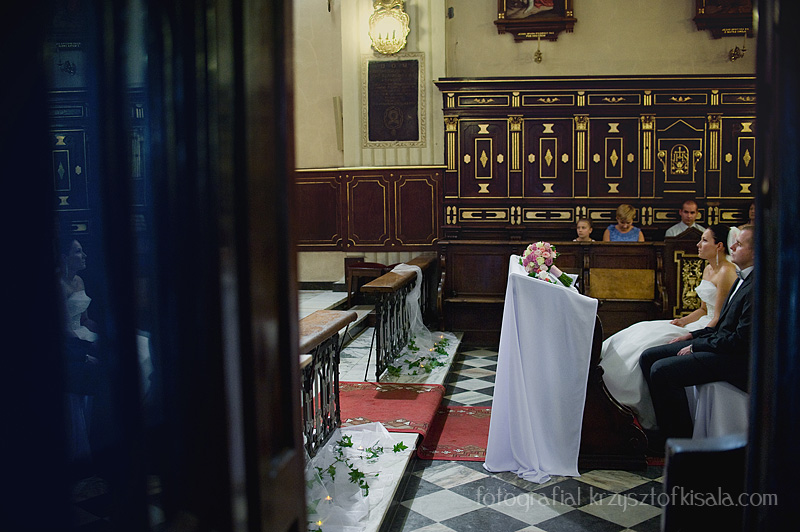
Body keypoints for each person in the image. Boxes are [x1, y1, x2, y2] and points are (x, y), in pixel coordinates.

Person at [599, 225, 737, 429]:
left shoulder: (726, 272)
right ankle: (604, 384)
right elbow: (702, 309)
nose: (698, 245)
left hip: (708, 328)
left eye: (704, 241)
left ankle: (631, 399)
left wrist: (692, 333)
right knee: (641, 329)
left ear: (719, 246)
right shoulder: (708, 268)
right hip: (698, 321)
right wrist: (682, 321)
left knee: (648, 343)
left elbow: (717, 317)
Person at [640, 225, 755, 440]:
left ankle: (679, 438)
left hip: (735, 360)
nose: (732, 246)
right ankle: (665, 427)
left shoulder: (757, 285)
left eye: (739, 244)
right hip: (719, 343)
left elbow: (740, 340)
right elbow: (722, 324)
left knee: (662, 371)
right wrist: (693, 335)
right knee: (648, 356)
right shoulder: (742, 278)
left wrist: (696, 345)